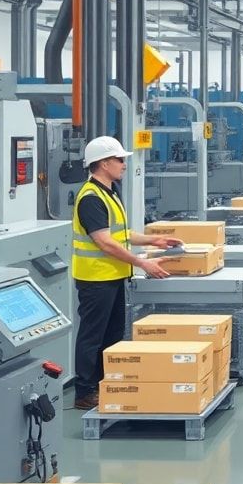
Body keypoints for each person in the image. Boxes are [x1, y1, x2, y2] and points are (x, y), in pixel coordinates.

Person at [72, 136, 180, 411]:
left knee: (112, 334)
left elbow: (121, 234)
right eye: (119, 160)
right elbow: (104, 242)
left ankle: (106, 384)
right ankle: (84, 391)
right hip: (96, 279)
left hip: (113, 276)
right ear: (104, 163)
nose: (123, 164)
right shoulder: (90, 198)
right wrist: (143, 264)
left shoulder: (109, 192)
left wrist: (153, 241)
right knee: (92, 336)